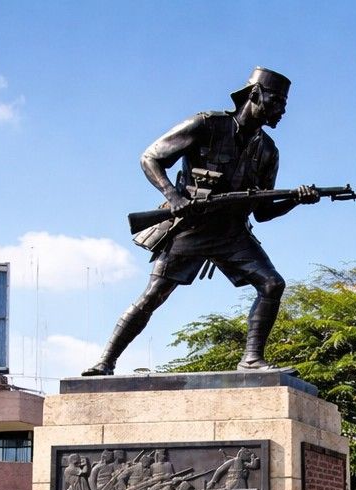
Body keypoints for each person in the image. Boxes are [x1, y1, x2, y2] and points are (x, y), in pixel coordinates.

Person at [80, 67, 319, 376]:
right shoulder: (206, 125)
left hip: (232, 232)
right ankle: (105, 362)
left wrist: (295, 199)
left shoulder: (268, 150)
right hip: (192, 226)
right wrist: (172, 195)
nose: (282, 110)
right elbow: (150, 157)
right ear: (255, 94)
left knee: (272, 284)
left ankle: (250, 359)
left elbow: (262, 211)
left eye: (285, 105)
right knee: (154, 295)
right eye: (277, 101)